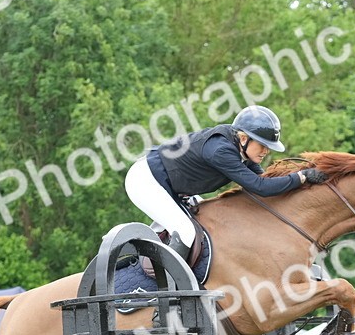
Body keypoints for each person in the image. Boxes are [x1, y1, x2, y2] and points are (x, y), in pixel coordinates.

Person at [123, 105, 326, 259]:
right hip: (146, 181)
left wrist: (302, 181)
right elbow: (260, 188)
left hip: (170, 186)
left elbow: (264, 180)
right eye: (262, 145)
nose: (266, 151)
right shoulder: (221, 151)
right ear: (244, 138)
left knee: (206, 224)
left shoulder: (242, 151)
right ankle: (165, 291)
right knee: (186, 232)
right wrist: (302, 177)